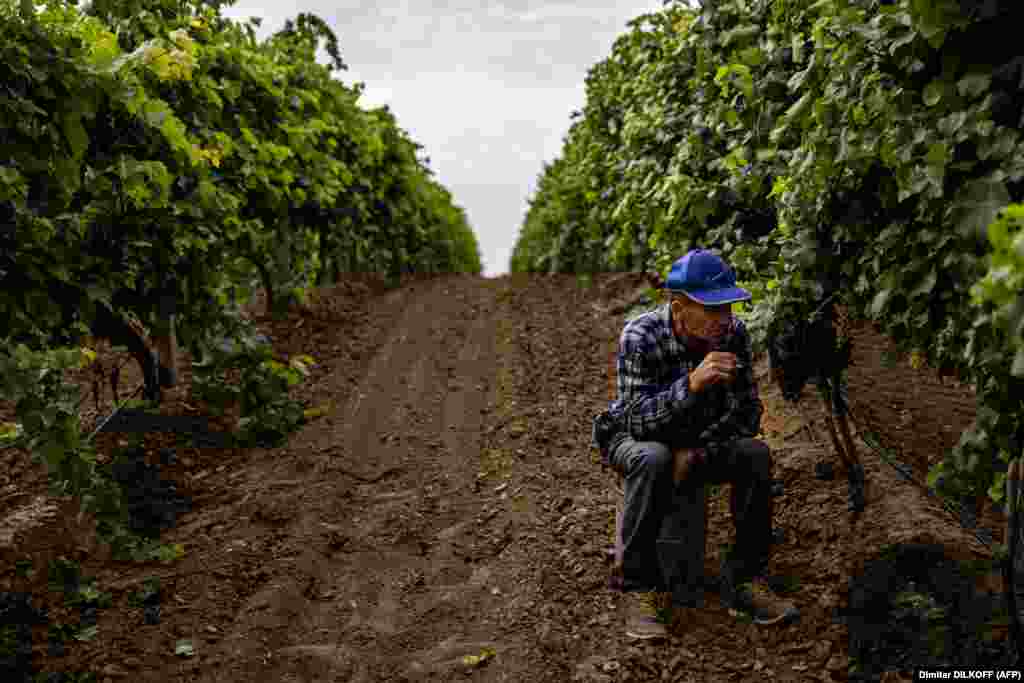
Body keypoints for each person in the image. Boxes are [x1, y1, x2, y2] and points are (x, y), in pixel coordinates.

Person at [592, 249, 800, 641]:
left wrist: (699, 448)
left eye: (728, 307)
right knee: (654, 457)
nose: (724, 319)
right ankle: (638, 587)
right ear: (678, 306)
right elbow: (634, 420)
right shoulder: (641, 335)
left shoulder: (734, 334)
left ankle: (744, 579)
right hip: (632, 439)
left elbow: (747, 414)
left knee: (754, 455)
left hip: (697, 441)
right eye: (713, 309)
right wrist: (690, 386)